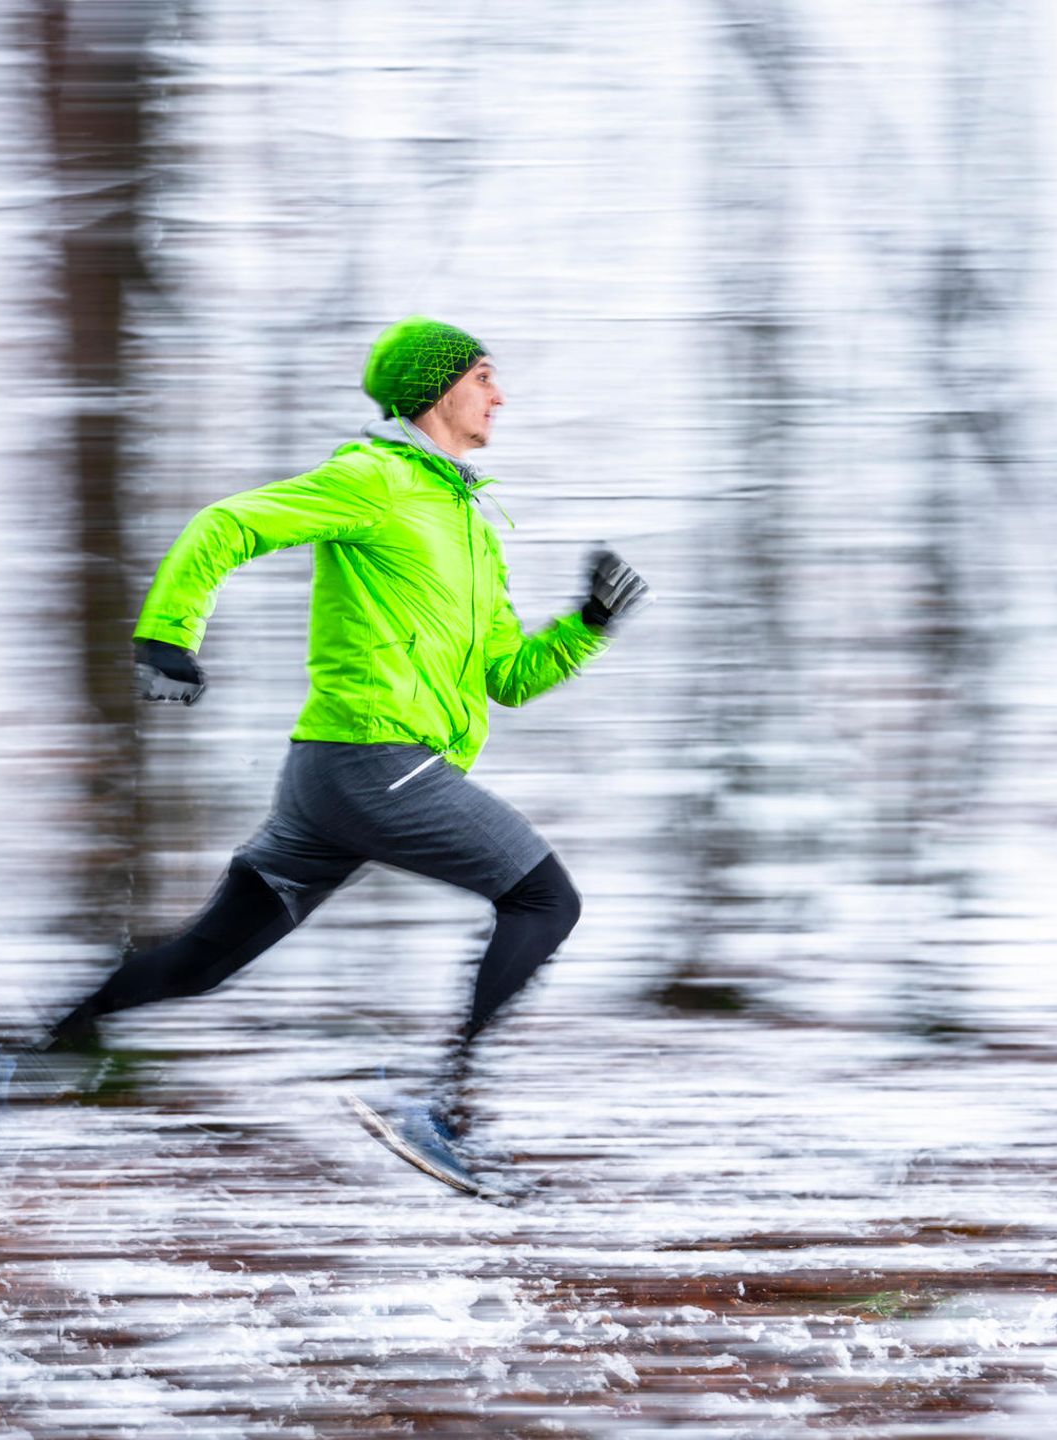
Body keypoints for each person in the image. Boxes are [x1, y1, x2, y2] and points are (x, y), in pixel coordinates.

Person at [42, 316, 648, 1189]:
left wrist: (587, 625)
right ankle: (442, 1113)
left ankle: (18, 1052)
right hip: (380, 761)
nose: (499, 395)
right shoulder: (374, 479)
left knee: (207, 960)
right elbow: (228, 523)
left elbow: (506, 678)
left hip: (335, 777)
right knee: (546, 900)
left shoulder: (468, 522)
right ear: (439, 391)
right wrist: (168, 635)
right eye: (483, 376)